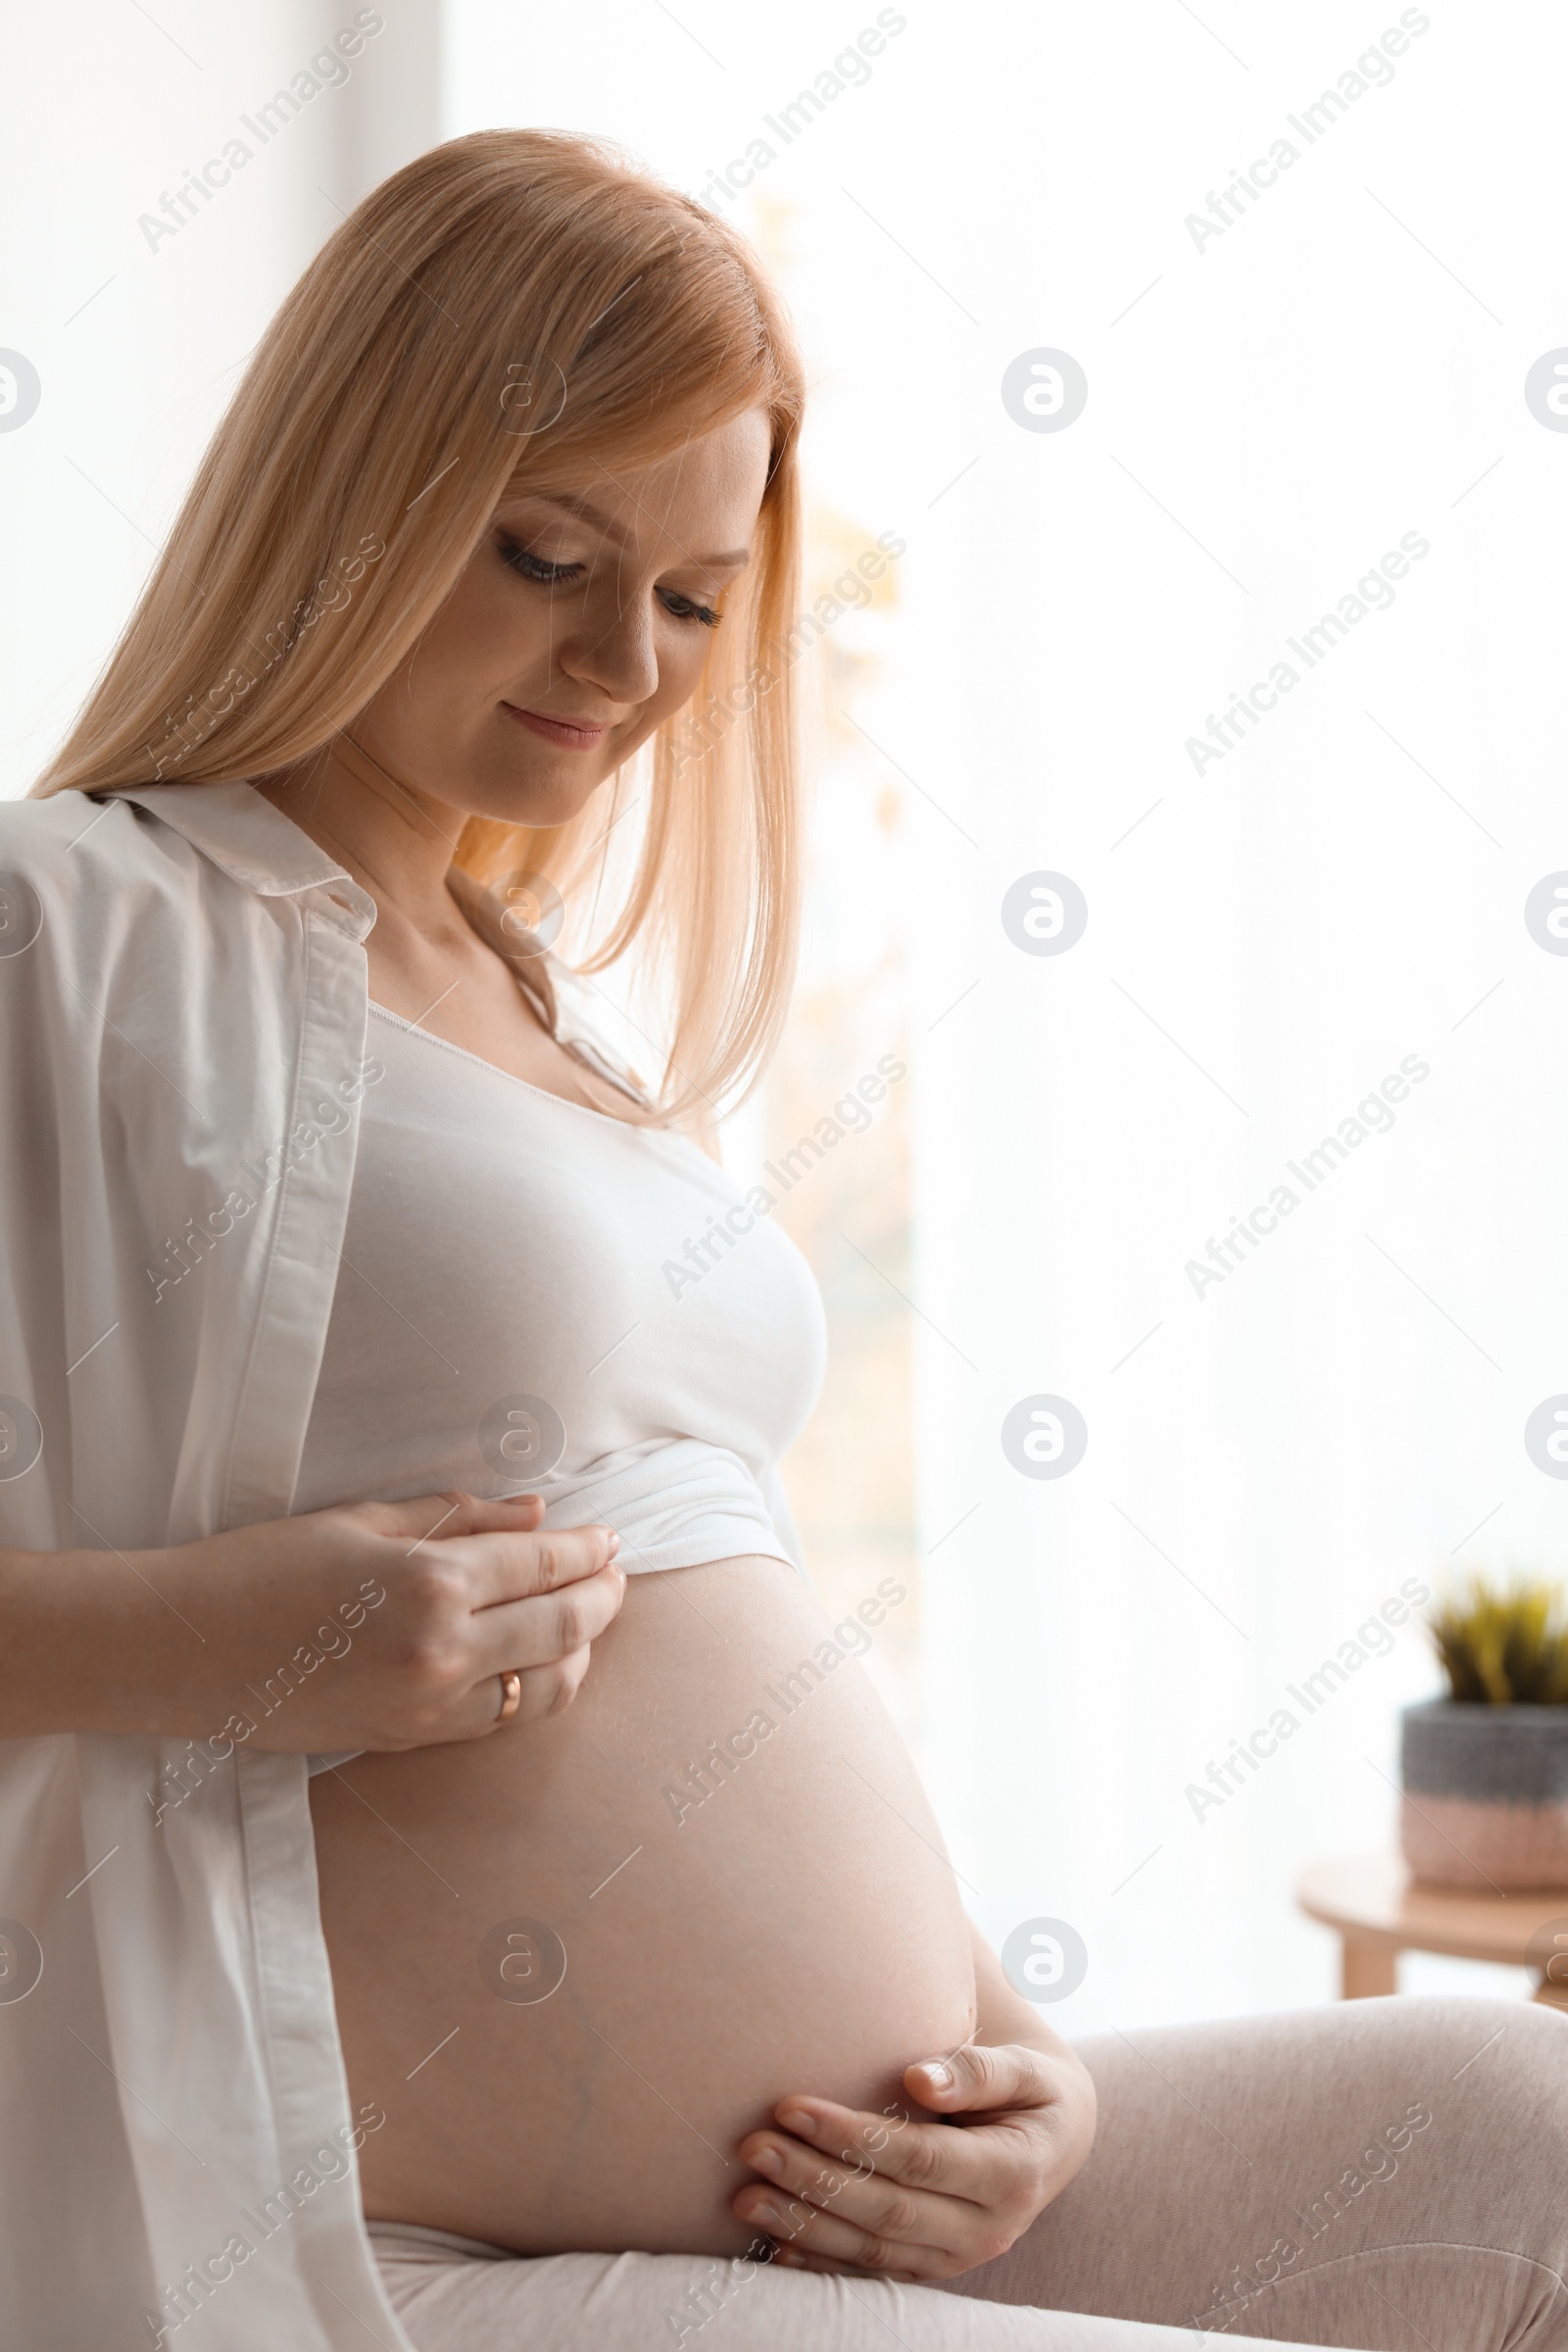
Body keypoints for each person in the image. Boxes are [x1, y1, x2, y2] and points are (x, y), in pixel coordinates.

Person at [3, 127, 1565, 2352]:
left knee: (1532, 2133)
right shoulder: (69, 926)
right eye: (545, 551)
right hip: (386, 2248)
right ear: (348, 487)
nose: (624, 663)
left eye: (691, 594)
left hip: (853, 2183)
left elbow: (718, 1599)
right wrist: (234, 1642)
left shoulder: (553, 1017)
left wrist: (1004, 2054)